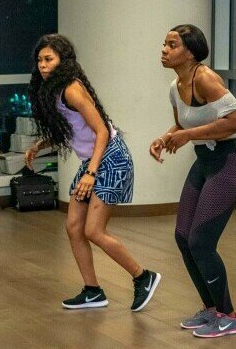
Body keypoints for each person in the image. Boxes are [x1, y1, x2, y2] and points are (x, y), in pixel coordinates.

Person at [25, 34, 161, 312]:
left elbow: (101, 132)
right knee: (74, 227)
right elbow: (75, 129)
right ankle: (92, 291)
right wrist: (41, 143)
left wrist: (91, 172)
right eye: (40, 60)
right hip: (93, 160)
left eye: (48, 59)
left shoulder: (72, 89)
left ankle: (143, 276)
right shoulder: (53, 90)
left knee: (93, 230)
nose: (42, 65)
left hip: (110, 157)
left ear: (63, 60)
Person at [150, 24, 236, 338]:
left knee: (201, 241)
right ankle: (211, 310)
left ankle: (230, 316)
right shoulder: (174, 87)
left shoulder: (205, 78)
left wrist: (186, 136)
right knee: (183, 237)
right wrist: (166, 137)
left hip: (230, 161)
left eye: (172, 45)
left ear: (190, 51)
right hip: (205, 161)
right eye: (164, 44)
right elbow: (182, 123)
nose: (164, 50)